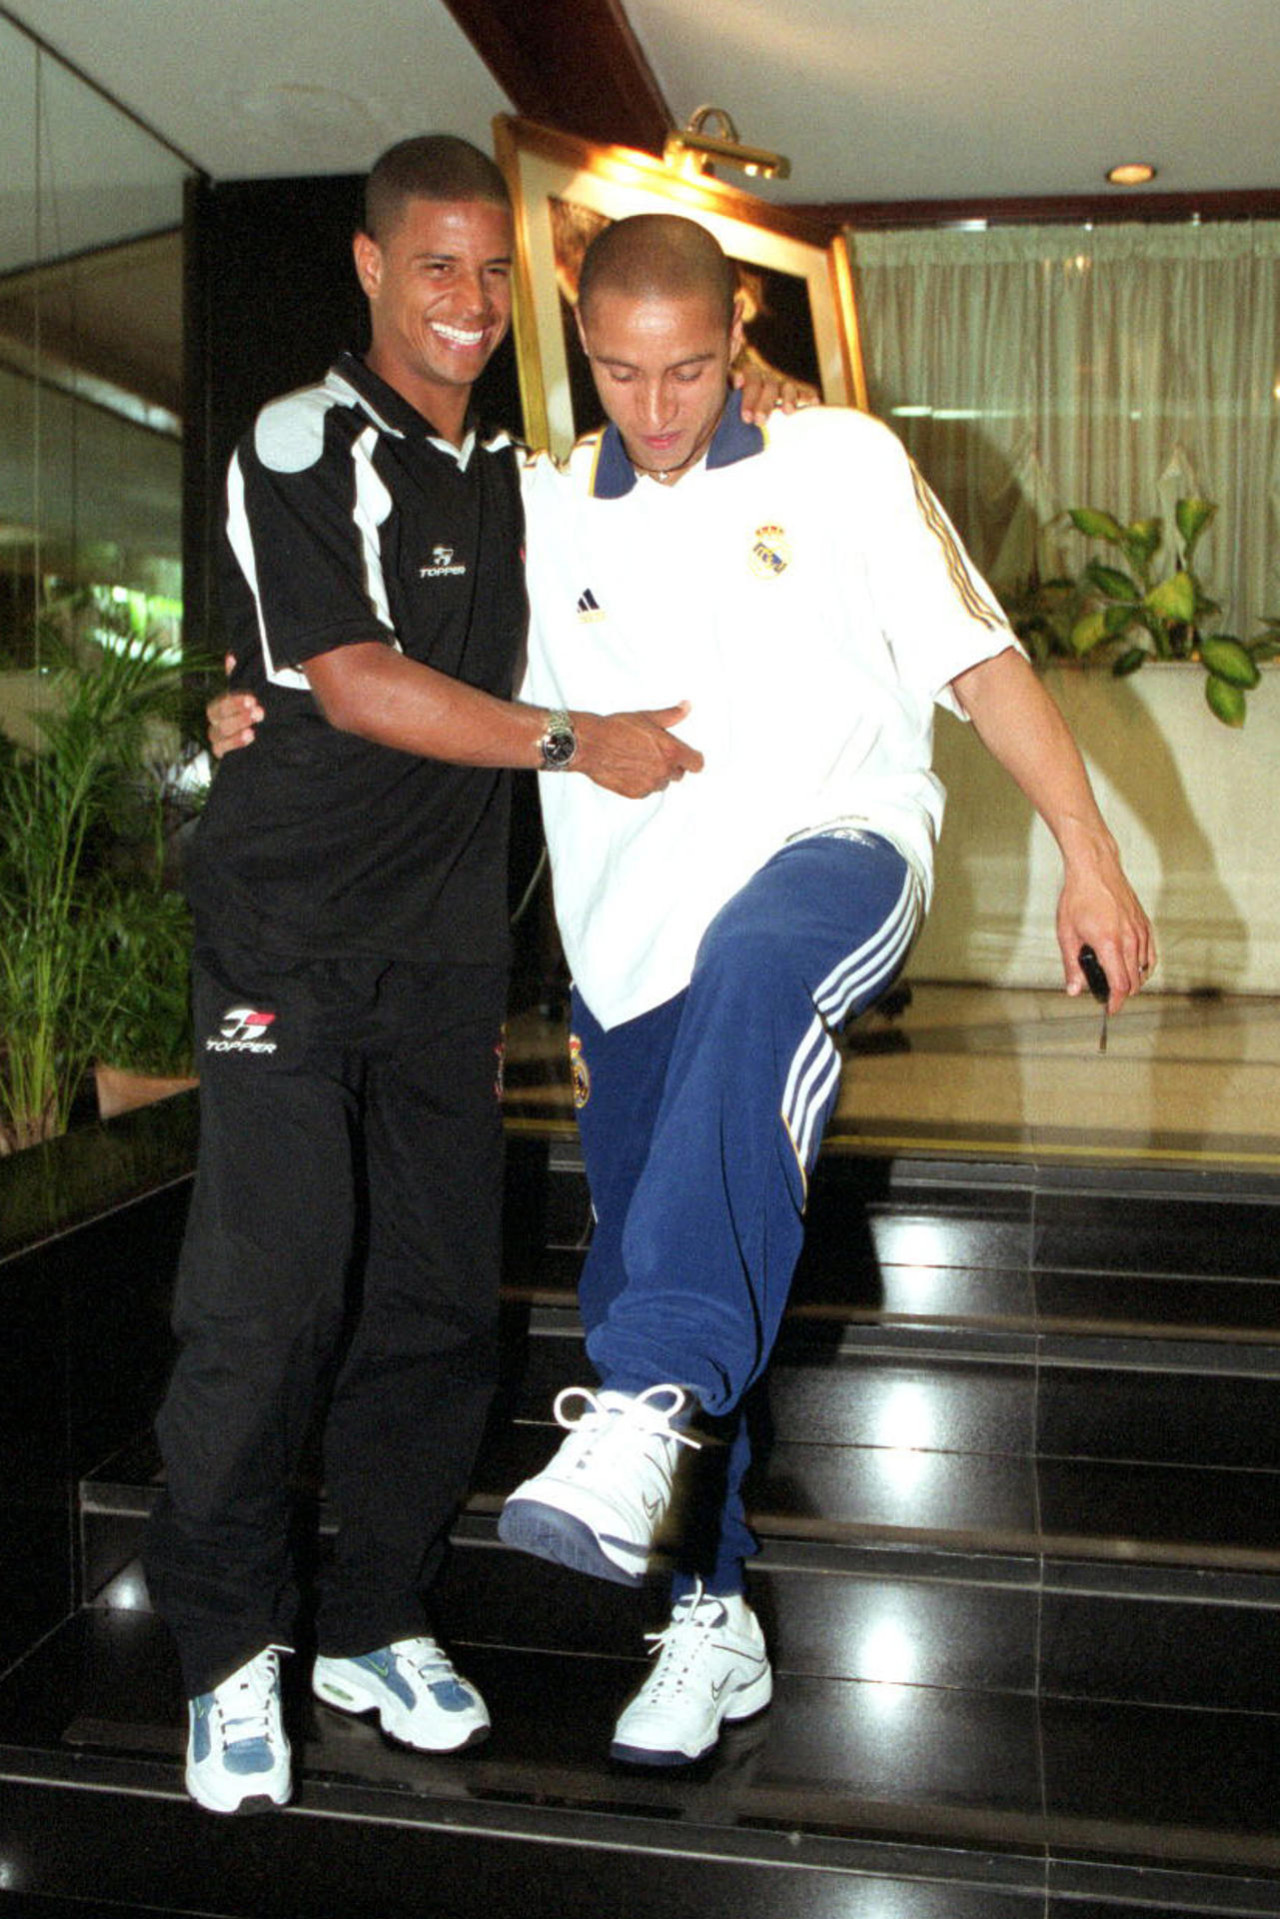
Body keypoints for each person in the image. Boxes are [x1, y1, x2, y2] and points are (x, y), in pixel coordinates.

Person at [209, 212, 1154, 1776]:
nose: (658, 408)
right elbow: (377, 639)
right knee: (670, 1240)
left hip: (829, 860)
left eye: (695, 368)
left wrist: (1089, 853)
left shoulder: (837, 460)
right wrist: (247, 702)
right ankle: (708, 1618)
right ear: (577, 346)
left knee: (757, 991)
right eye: (623, 370)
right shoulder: (531, 505)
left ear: (742, 343)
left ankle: (645, 1402)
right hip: (630, 951)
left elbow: (979, 666)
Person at [147, 138, 702, 1817]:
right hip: (289, 940)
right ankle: (229, 1655)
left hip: (445, 956)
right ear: (373, 269)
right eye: (434, 269)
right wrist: (573, 743)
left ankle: (373, 1618)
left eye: (488, 274)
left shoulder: (517, 476)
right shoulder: (305, 436)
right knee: (271, 1302)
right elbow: (360, 682)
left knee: (445, 1303)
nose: (466, 304)